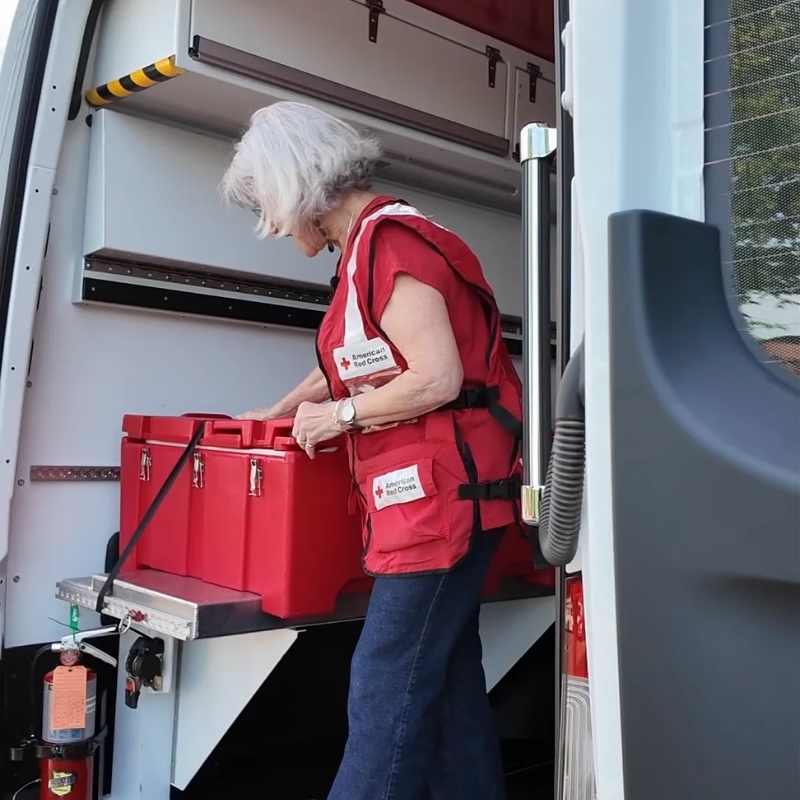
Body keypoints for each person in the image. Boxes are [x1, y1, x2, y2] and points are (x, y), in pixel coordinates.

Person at [221, 101, 525, 800]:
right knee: (445, 683)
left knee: (384, 687)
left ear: (298, 185)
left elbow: (437, 376)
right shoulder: (364, 249)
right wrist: (284, 408)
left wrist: (339, 418)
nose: (268, 225)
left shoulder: (395, 245)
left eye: (265, 204)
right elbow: (355, 359)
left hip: (444, 511)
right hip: (427, 507)